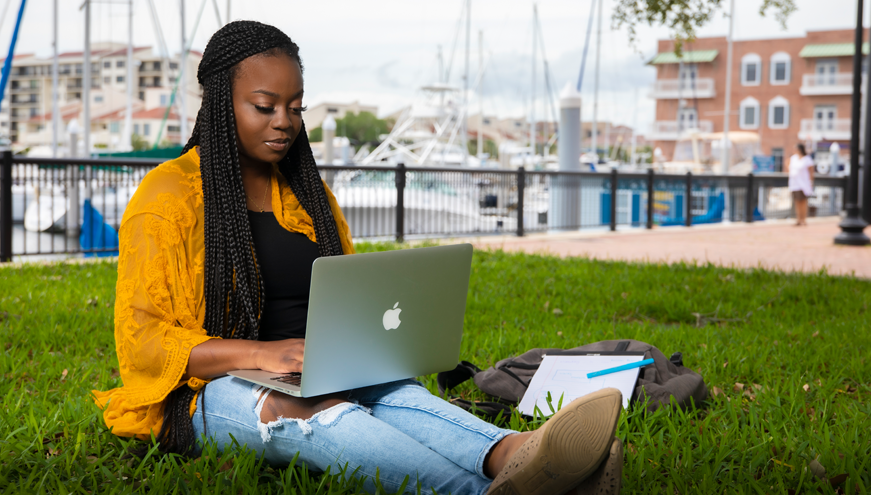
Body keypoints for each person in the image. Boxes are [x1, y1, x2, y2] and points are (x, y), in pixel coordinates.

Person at [92, 21, 625, 495]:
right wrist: (260, 353)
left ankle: (516, 454)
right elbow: (145, 344)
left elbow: (351, 296)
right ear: (217, 103)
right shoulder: (167, 198)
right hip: (209, 392)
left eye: (296, 107)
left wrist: (361, 348)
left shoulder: (309, 196)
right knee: (310, 410)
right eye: (265, 106)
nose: (285, 121)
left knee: (393, 393)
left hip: (318, 367)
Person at [788, 143, 814, 226]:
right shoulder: (793, 158)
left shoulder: (807, 159)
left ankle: (803, 219)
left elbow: (811, 171)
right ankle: (798, 219)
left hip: (803, 184)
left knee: (803, 201)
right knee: (797, 202)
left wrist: (811, 182)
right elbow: (788, 165)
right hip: (794, 183)